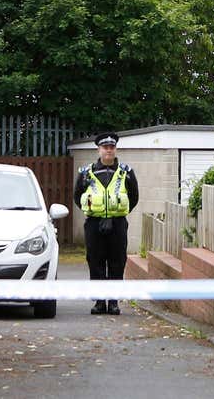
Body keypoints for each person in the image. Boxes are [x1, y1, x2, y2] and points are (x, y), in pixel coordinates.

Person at [75, 131, 139, 315]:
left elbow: (134, 197)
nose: (108, 151)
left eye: (111, 147)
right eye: (105, 147)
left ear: (115, 149)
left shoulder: (126, 172)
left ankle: (113, 302)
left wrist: (115, 214)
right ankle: (99, 302)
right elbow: (77, 197)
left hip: (117, 224)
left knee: (117, 262)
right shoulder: (87, 172)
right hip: (94, 224)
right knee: (95, 262)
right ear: (99, 149)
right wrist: (96, 213)